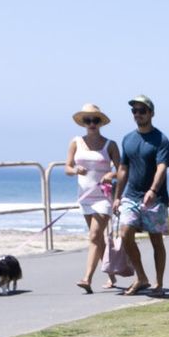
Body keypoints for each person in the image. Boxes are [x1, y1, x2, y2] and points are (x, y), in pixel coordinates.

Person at [114, 94, 169, 297]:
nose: (138, 114)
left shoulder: (161, 140)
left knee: (156, 240)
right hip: (131, 195)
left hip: (155, 198)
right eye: (134, 111)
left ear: (151, 113)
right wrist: (117, 196)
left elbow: (162, 168)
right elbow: (123, 168)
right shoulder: (128, 139)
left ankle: (159, 283)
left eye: (142, 110)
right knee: (124, 233)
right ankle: (141, 277)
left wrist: (153, 191)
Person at [67, 102, 123, 293]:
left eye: (95, 120)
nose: (92, 123)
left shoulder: (110, 144)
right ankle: (111, 275)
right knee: (98, 239)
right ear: (83, 122)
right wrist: (75, 170)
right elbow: (67, 168)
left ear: (100, 123)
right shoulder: (76, 142)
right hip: (85, 196)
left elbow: (123, 170)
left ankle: (87, 279)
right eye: (88, 120)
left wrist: (111, 175)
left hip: (104, 196)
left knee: (93, 236)